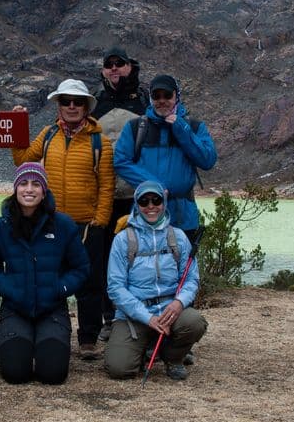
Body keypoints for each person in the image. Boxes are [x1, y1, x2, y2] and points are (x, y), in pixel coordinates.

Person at [12, 78, 115, 360]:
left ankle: (88, 340)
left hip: (86, 226)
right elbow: (22, 159)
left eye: (77, 102)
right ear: (58, 105)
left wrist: (101, 221)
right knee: (51, 280)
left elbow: (107, 184)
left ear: (86, 106)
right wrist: (17, 123)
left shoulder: (100, 142)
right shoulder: (47, 136)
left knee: (90, 284)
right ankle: (52, 333)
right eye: (66, 101)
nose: (71, 106)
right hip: (52, 223)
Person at [0, 163, 91, 384]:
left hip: (51, 307)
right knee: (14, 374)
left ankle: (44, 344)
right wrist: (10, 289)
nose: (29, 189)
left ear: (44, 191)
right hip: (15, 307)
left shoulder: (63, 225)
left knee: (52, 374)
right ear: (15, 188)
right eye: (23, 183)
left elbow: (81, 268)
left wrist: (59, 288)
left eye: (35, 184)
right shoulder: (0, 227)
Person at [104, 181, 207, 380]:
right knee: (119, 369)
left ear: (164, 202)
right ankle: (142, 350)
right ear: (137, 204)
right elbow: (116, 288)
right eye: (144, 201)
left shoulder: (178, 237)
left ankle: (173, 358)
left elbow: (191, 279)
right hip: (134, 314)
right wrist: (147, 317)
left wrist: (179, 303)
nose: (151, 206)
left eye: (156, 200)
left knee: (194, 322)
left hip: (170, 311)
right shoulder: (123, 240)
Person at [113, 73, 217, 242]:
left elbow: (207, 160)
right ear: (150, 98)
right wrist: (155, 187)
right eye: (156, 95)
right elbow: (121, 161)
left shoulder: (194, 126)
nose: (162, 100)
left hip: (183, 218)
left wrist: (181, 129)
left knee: (183, 268)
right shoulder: (135, 127)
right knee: (144, 266)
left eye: (167, 95)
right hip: (147, 213)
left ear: (177, 97)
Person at [92, 46, 149, 341]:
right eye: (108, 64)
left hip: (137, 197)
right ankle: (108, 318)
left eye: (120, 63)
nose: (114, 68)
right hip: (102, 197)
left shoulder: (145, 100)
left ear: (130, 66)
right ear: (103, 70)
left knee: (135, 257)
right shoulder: (94, 103)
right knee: (103, 259)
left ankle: (138, 315)